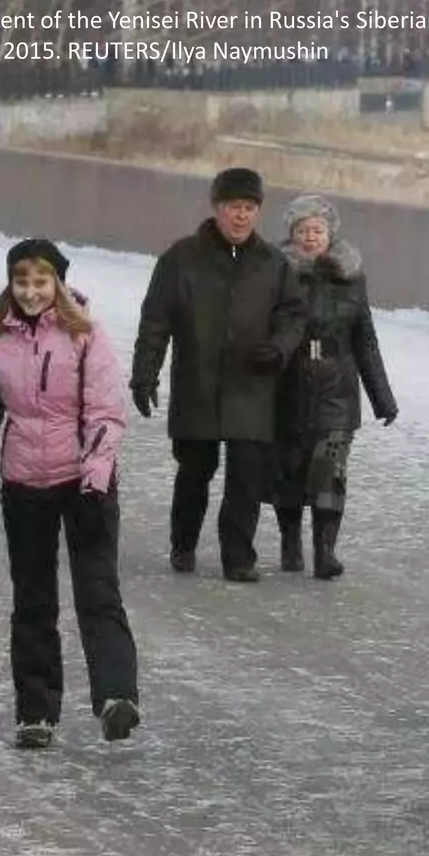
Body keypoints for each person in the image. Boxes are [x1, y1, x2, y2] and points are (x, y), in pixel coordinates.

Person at [0, 239, 140, 749]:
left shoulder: (85, 334)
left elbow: (106, 410)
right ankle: (35, 711)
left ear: (57, 284)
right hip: (23, 484)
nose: (31, 291)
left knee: (97, 593)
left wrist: (95, 475)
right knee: (33, 600)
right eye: (22, 281)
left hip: (84, 483)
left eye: (41, 281)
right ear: (10, 285)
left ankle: (116, 696)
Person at [130, 167, 306, 582]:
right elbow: (155, 320)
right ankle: (184, 542)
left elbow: (294, 317)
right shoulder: (181, 259)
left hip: (251, 386)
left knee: (247, 475)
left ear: (258, 211)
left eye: (249, 208)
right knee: (195, 471)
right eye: (233, 207)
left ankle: (238, 557)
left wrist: (278, 348)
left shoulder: (274, 264)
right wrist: (144, 374)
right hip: (198, 383)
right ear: (217, 207)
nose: (241, 216)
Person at [272, 195, 399, 579]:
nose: (310, 238)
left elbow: (366, 341)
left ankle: (325, 550)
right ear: (291, 236)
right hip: (288, 385)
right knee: (290, 470)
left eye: (317, 230)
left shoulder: (351, 277)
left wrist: (383, 398)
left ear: (330, 234)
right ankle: (290, 542)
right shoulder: (276, 274)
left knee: (331, 471)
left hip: (337, 389)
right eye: (302, 231)